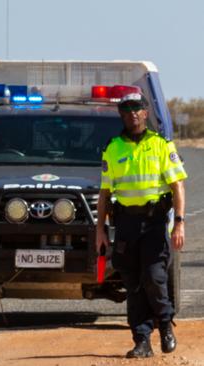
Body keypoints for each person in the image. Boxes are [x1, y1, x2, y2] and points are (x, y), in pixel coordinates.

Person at [95, 92, 186, 358]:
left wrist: (179, 223)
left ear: (146, 113)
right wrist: (100, 229)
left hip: (155, 223)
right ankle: (142, 340)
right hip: (126, 225)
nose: (133, 113)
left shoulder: (161, 145)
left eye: (138, 109)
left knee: (155, 278)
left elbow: (177, 185)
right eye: (127, 109)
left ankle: (166, 325)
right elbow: (104, 194)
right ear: (121, 115)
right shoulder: (113, 147)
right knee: (133, 285)